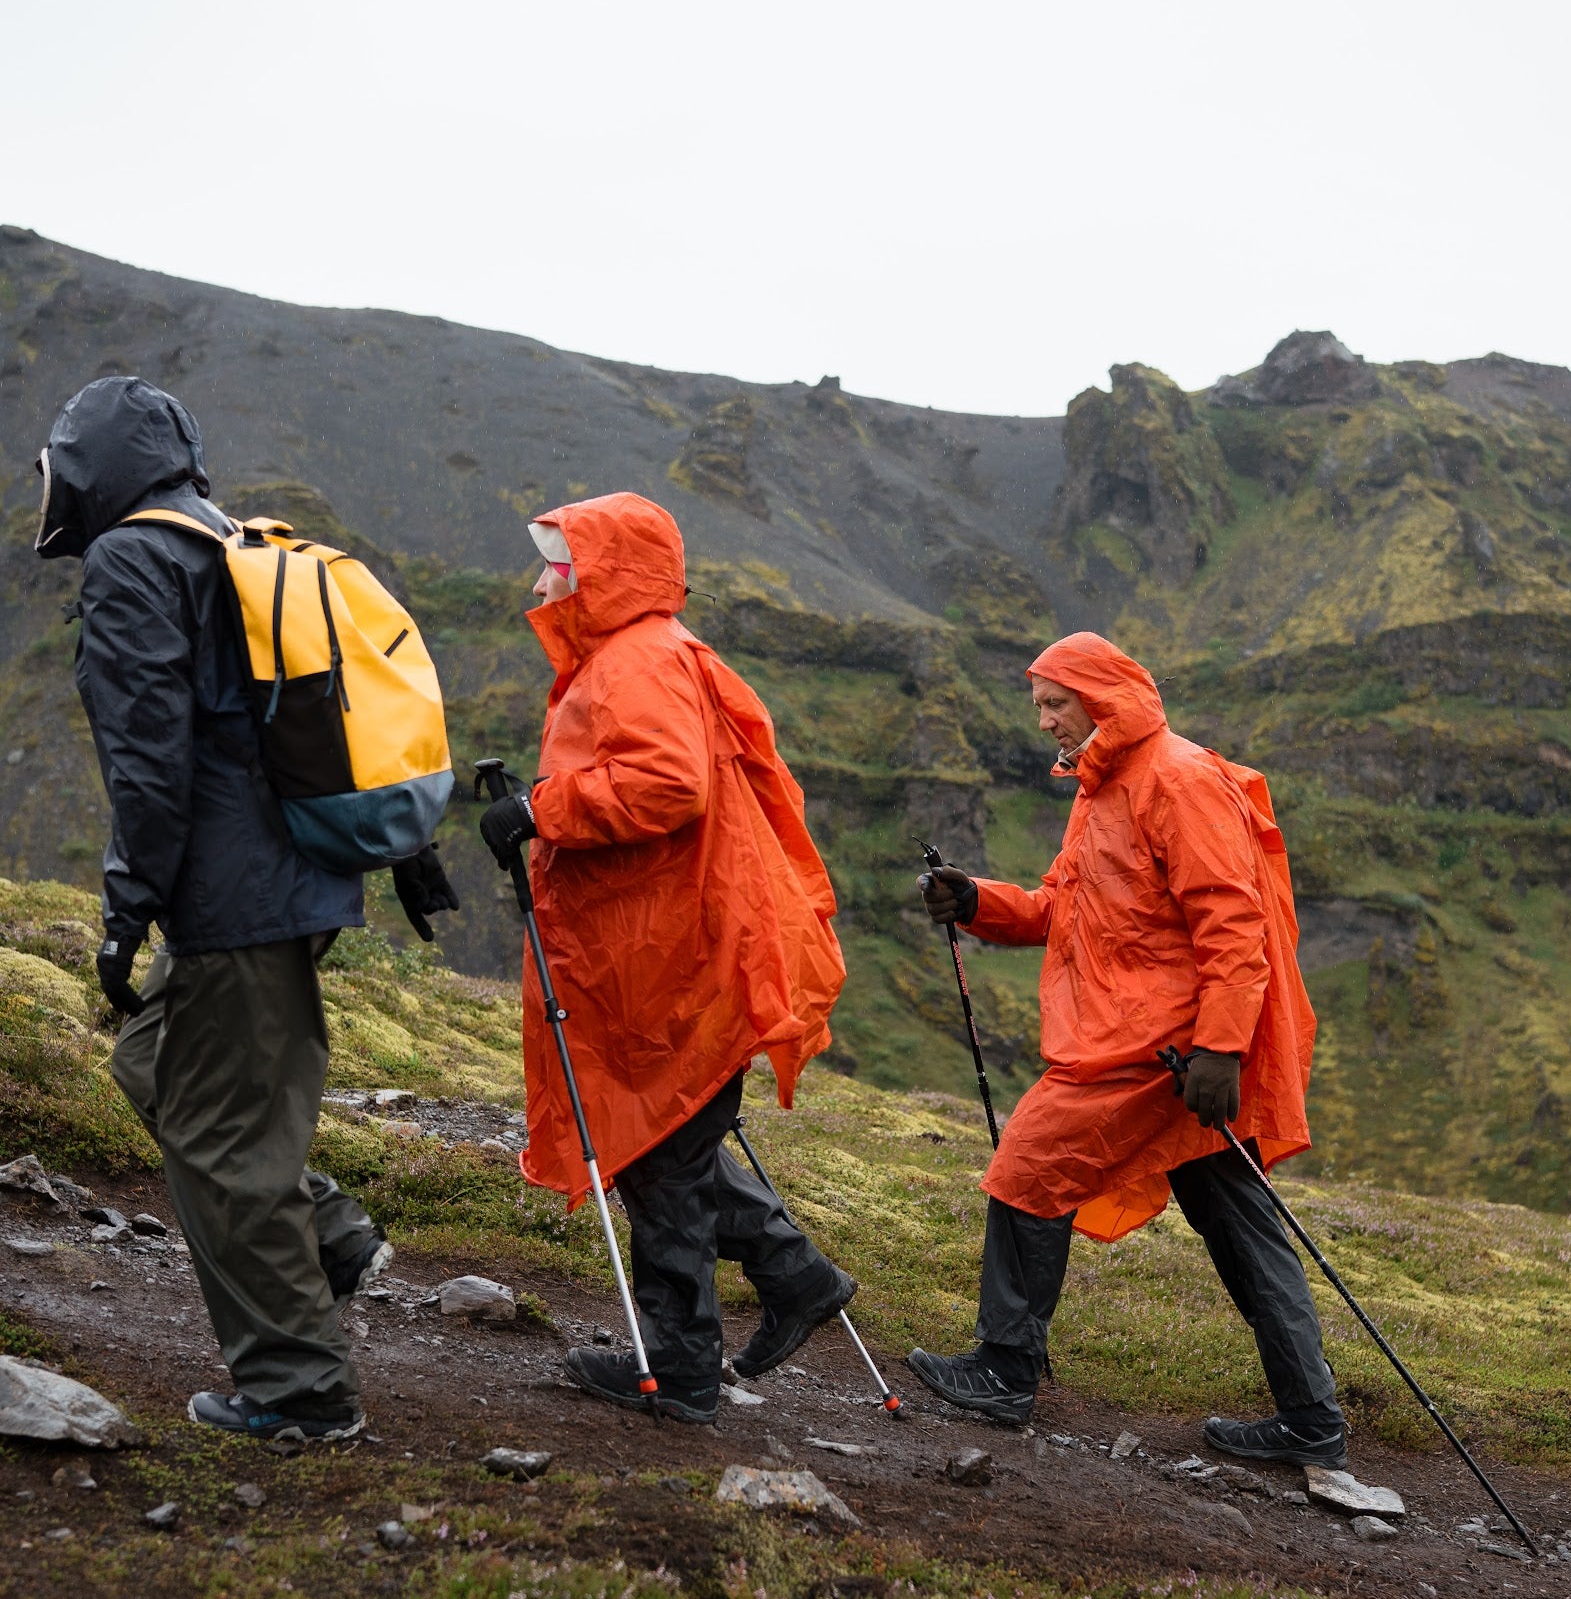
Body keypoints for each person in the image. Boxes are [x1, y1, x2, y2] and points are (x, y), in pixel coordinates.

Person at [35, 375, 459, 1443]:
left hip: (231, 896)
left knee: (226, 1143)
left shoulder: (135, 557)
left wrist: (128, 906)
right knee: (153, 1067)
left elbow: (150, 759)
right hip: (295, 877)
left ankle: (298, 1387)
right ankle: (328, 1234)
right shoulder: (226, 541)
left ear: (94, 464)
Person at [910, 630, 1344, 1465]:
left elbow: (1232, 925)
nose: (1042, 722)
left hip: (1161, 1048)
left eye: (1054, 704)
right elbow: (1061, 909)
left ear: (1099, 700)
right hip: (1159, 1043)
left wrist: (1219, 1052)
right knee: (1240, 1227)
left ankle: (1004, 1372)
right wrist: (975, 901)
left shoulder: (1176, 781)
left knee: (1029, 1165)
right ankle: (1311, 1421)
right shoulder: (1102, 787)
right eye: (1037, 705)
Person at [478, 491, 852, 1423]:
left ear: (606, 574)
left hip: (672, 952)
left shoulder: (636, 658)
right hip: (674, 942)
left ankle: (682, 1368)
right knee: (665, 1146)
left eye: (558, 565)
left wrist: (541, 811)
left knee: (661, 1156)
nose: (541, 583)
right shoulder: (646, 653)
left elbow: (665, 784)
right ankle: (788, 1277)